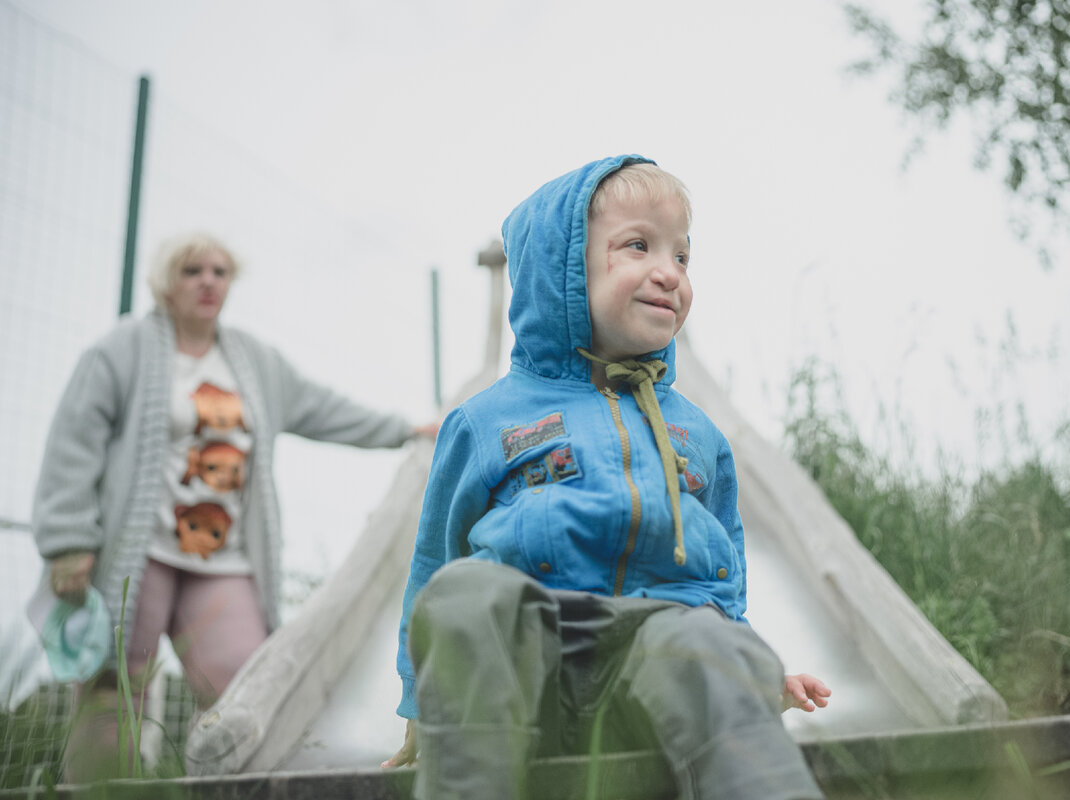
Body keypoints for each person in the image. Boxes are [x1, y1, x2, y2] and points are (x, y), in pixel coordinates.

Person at [384, 156, 830, 799]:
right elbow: (435, 560)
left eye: (682, 256)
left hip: (651, 677)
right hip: (522, 678)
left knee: (702, 638)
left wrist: (746, 666)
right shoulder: (487, 421)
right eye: (639, 246)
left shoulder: (697, 433)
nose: (668, 273)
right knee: (464, 594)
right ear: (563, 269)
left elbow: (722, 571)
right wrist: (420, 709)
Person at [31, 231, 438, 781]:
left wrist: (404, 429)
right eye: (192, 270)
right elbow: (73, 442)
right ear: (165, 283)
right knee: (114, 688)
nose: (208, 281)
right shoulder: (120, 351)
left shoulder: (253, 360)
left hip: (222, 563)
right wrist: (67, 541)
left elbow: (322, 408)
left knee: (247, 687)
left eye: (220, 272)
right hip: (138, 554)